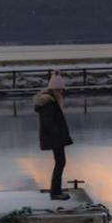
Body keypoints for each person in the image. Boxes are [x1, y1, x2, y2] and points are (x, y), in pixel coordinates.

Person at [34, 70, 74, 200]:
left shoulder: (49, 101)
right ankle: (55, 192)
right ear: (55, 90)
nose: (61, 93)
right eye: (60, 90)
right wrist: (59, 136)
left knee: (60, 162)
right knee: (60, 162)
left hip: (55, 138)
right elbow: (49, 123)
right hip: (55, 138)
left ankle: (56, 190)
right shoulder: (50, 103)